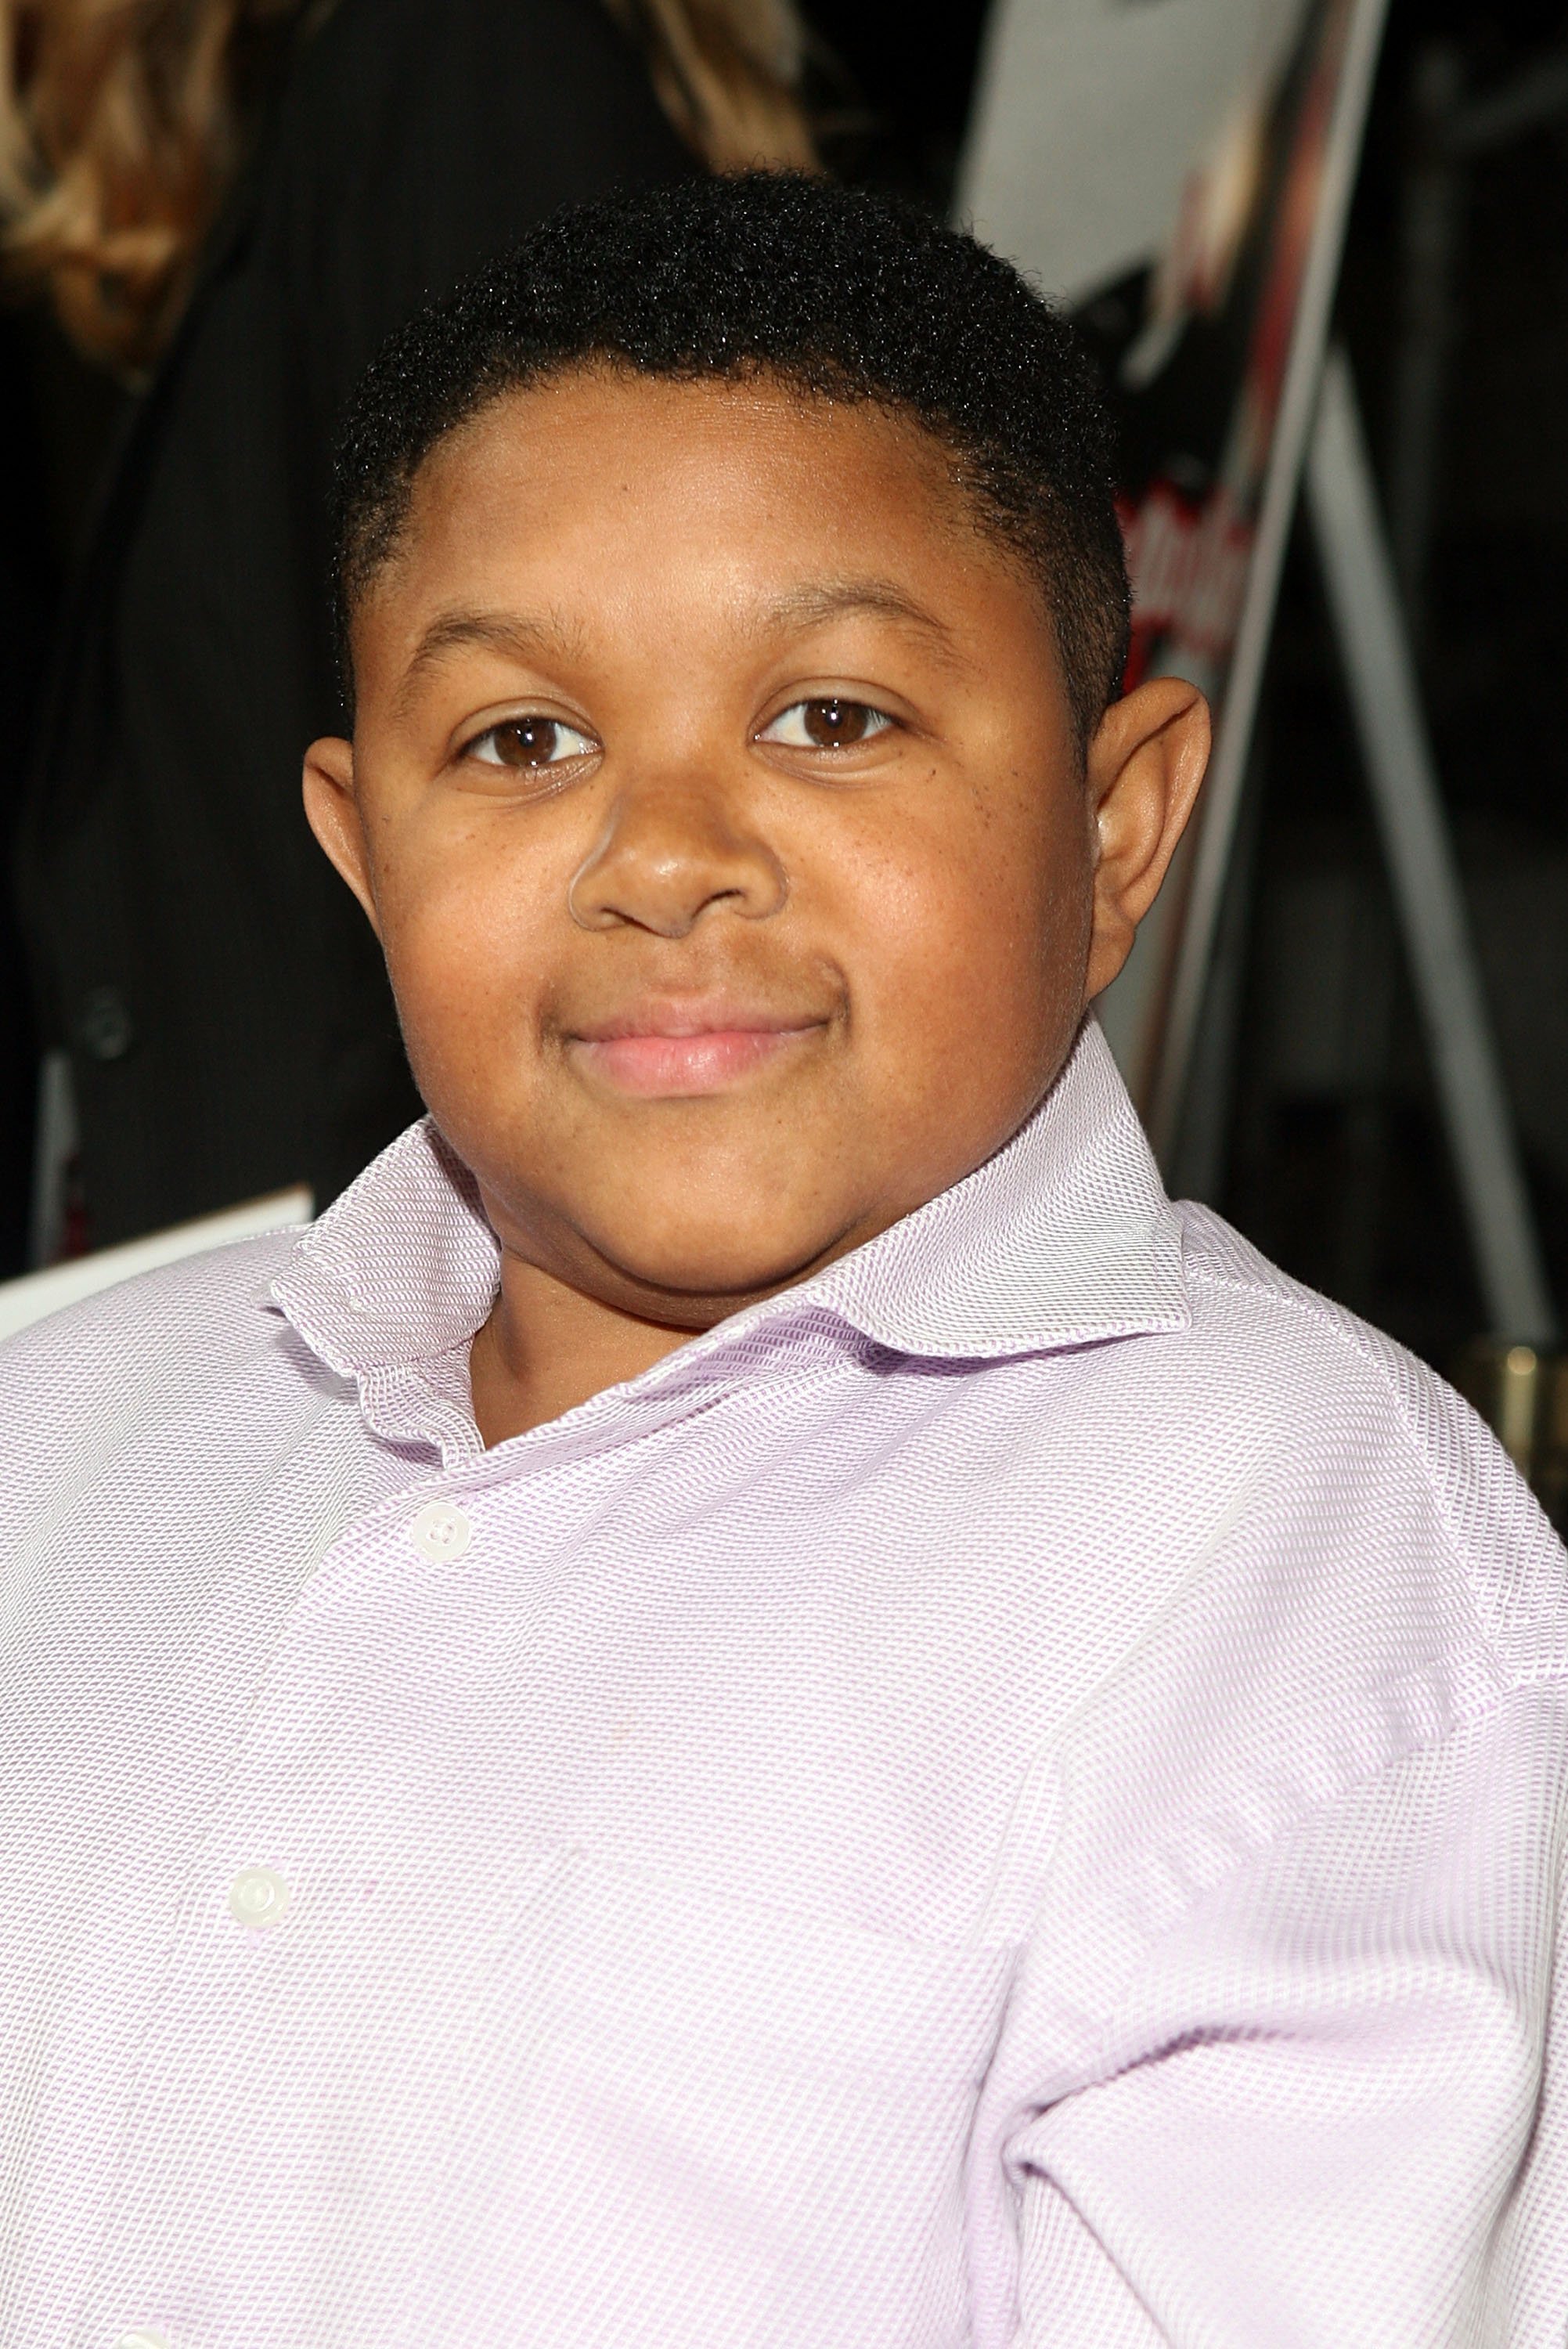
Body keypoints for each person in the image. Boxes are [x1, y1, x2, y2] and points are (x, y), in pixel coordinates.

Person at [2, 173, 1566, 2346]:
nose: (667, 860)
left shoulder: (1290, 1565)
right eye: (521, 740)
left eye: (831, 716)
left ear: (1111, 831)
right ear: (364, 859)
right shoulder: (65, 1433)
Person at [4, 0, 812, 1252]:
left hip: (405, 1299)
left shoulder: (463, 59)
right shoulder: (371, 94)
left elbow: (588, 723)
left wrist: (430, 1332)